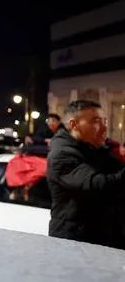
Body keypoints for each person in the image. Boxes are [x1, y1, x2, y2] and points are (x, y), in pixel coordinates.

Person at [47, 99, 125, 249]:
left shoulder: (96, 150)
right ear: (73, 125)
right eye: (96, 122)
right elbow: (99, 185)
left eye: (105, 121)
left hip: (104, 242)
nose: (104, 128)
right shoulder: (62, 155)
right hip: (77, 245)